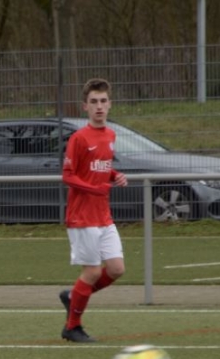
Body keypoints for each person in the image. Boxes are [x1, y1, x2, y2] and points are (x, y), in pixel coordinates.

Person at [58, 77, 128, 343]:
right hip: (82, 217)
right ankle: (72, 327)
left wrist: (115, 175)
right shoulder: (78, 138)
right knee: (93, 272)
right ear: (85, 107)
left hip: (103, 215)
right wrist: (93, 188)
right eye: (94, 102)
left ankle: (74, 296)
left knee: (116, 269)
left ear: (110, 104)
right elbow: (68, 175)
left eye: (103, 101)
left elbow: (100, 167)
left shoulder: (110, 135)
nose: (99, 106)